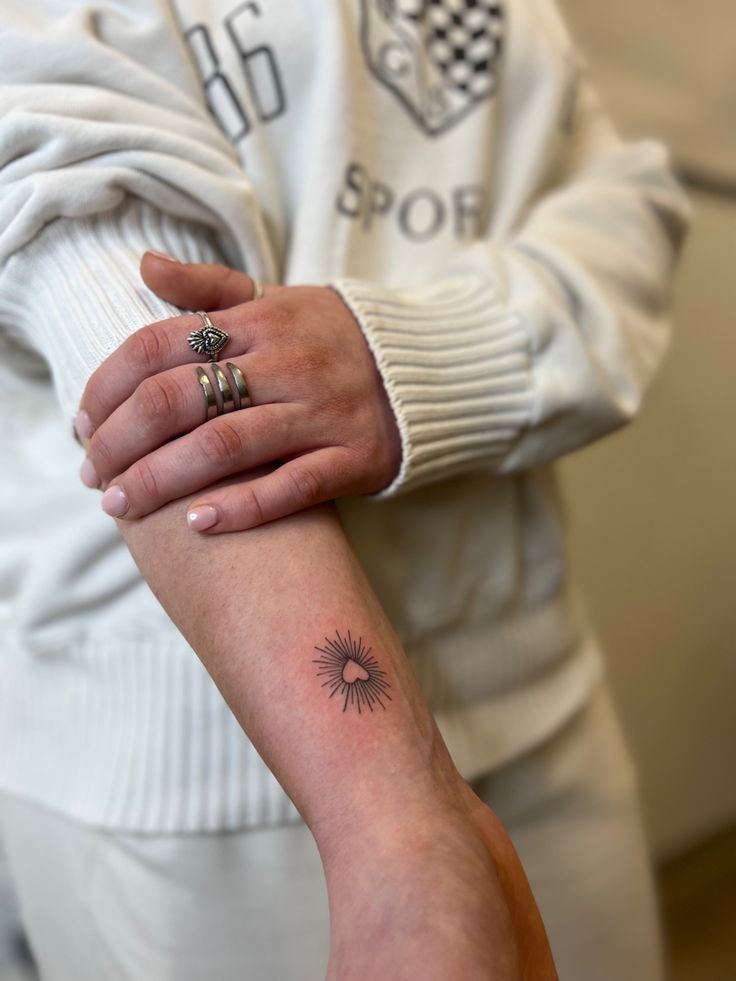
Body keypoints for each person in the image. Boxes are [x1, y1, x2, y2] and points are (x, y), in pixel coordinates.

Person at [0, 0, 690, 978]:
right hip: (201, 781)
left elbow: (621, 199)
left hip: (538, 683)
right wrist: (395, 823)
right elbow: (83, 242)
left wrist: (415, 355)